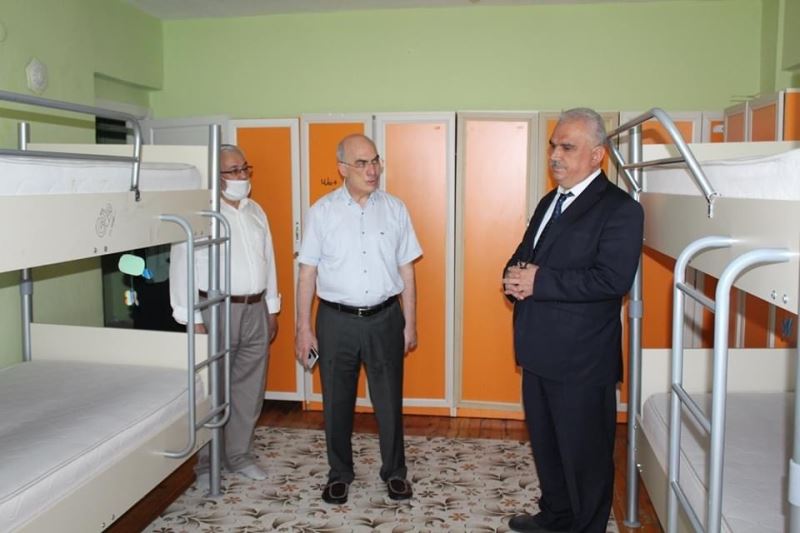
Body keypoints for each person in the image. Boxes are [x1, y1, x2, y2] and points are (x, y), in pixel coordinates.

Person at [502, 108, 643, 533]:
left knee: (586, 459)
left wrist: (539, 281)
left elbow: (612, 279)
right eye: (553, 146)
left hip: (582, 361)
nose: (555, 155)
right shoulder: (551, 200)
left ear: (597, 155)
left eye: (567, 147)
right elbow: (526, 253)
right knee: (547, 449)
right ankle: (555, 516)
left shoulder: (621, 209)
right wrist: (512, 276)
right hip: (537, 351)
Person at [294, 133, 422, 505]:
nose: (372, 170)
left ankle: (395, 473)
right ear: (342, 169)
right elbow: (307, 273)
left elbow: (407, 269)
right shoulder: (322, 212)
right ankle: (339, 474)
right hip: (336, 322)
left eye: (375, 161)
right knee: (336, 402)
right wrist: (303, 328)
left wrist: (410, 322)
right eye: (362, 163)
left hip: (385, 319)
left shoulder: (395, 209)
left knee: (389, 402)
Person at [170, 144, 280, 485]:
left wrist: (272, 306)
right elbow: (182, 265)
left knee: (250, 387)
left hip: (255, 307)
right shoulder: (199, 214)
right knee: (212, 389)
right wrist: (193, 320)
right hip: (216, 310)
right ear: (216, 177)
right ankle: (207, 464)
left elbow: (269, 259)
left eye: (245, 168)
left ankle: (239, 455)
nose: (242, 176)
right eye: (233, 171)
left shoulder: (255, 211)